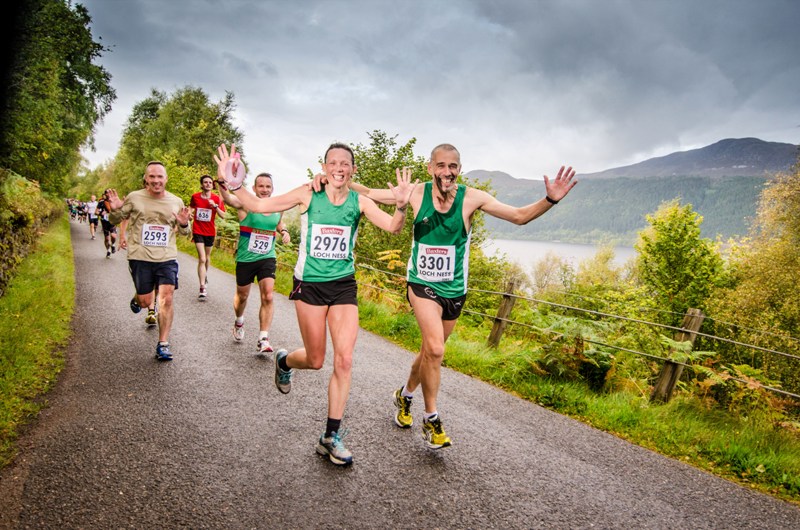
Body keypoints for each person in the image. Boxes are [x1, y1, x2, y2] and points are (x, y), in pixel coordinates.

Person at [341, 143, 576, 449]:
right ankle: (432, 419)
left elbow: (518, 216)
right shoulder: (414, 192)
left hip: (455, 290)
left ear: (459, 169)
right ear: (430, 168)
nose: (447, 172)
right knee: (436, 350)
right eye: (441, 165)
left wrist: (550, 200)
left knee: (429, 351)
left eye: (452, 166)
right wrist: (338, 176)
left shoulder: (471, 198)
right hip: (421, 284)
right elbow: (370, 193)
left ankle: (405, 395)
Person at [216, 142, 413, 466]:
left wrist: (402, 207)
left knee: (345, 360)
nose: (338, 168)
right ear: (323, 168)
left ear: (352, 170)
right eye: (332, 163)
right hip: (309, 286)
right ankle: (285, 362)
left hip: (343, 286)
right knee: (317, 358)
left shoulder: (359, 201)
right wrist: (234, 183)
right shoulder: (308, 194)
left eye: (345, 163)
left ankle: (330, 436)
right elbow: (259, 205)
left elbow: (393, 227)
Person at [107, 161, 191, 361]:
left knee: (166, 298)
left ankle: (163, 343)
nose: (156, 181)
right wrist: (116, 208)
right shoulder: (135, 197)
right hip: (140, 256)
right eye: (152, 177)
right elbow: (114, 220)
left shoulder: (176, 201)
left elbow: (186, 232)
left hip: (166, 257)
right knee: (146, 301)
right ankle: (138, 298)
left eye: (160, 177)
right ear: (146, 178)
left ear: (166, 179)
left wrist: (184, 223)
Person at [218, 171, 291, 353]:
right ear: (254, 188)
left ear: (272, 189)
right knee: (242, 296)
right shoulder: (246, 205)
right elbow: (228, 199)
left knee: (268, 295)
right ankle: (239, 320)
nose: (264, 190)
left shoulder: (277, 207)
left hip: (267, 257)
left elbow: (278, 223)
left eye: (268, 186)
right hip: (246, 258)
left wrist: (284, 231)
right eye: (261, 186)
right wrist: (221, 183)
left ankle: (263, 338)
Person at [189, 174, 226, 300]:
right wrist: (188, 215)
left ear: (212, 185)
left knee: (207, 257)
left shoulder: (216, 199)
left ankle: (204, 276)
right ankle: (202, 286)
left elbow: (223, 215)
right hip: (198, 230)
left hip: (210, 232)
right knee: (202, 258)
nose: (208, 184)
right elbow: (190, 209)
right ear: (202, 184)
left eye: (210, 182)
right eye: (205, 182)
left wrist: (215, 206)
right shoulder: (195, 197)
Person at [95, 190, 118, 258]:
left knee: (113, 236)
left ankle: (113, 245)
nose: (108, 194)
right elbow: (96, 212)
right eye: (107, 193)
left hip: (112, 221)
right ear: (105, 194)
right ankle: (108, 251)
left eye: (110, 192)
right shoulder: (101, 202)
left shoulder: (114, 201)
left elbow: (119, 210)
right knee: (107, 239)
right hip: (104, 222)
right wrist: (100, 213)